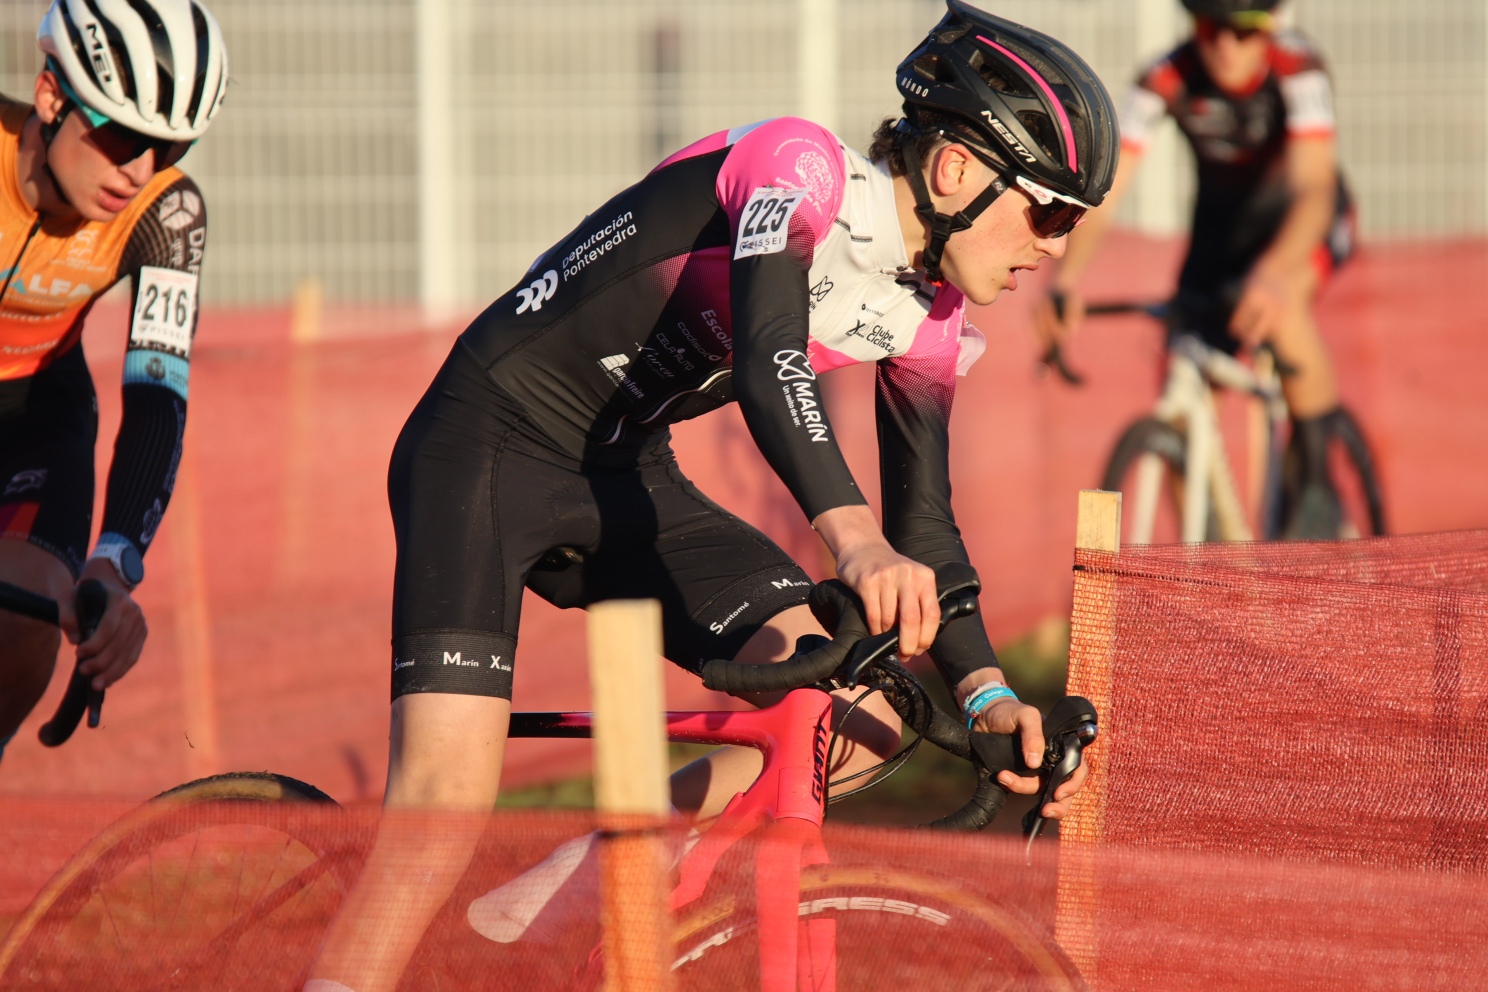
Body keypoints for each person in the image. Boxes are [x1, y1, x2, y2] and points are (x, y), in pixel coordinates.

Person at [306, 3, 1119, 989]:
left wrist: (988, 695)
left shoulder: (930, 314)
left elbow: (926, 528)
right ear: (957, 170)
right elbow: (775, 353)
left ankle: (537, 913)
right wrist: (850, 539)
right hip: (486, 440)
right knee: (441, 805)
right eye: (1049, 211)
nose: (1058, 247)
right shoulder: (796, 167)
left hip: (625, 469)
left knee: (851, 716)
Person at [0, 0, 229, 762]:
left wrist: (116, 562)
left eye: (169, 146)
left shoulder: (169, 213)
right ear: (52, 97)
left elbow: (158, 393)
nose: (138, 170)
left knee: (26, 619)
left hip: (36, 413)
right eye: (122, 135)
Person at [1033, 0, 1355, 538]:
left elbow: (1314, 187)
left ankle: (1319, 491)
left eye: (1243, 31)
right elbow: (1105, 193)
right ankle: (1209, 545)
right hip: (1223, 231)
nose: (1225, 44)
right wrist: (1063, 281)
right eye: (1210, 28)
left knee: (1282, 308)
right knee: (1182, 368)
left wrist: (1276, 273)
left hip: (1304, 218)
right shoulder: (1165, 76)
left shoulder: (1298, 67)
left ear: (1269, 28)